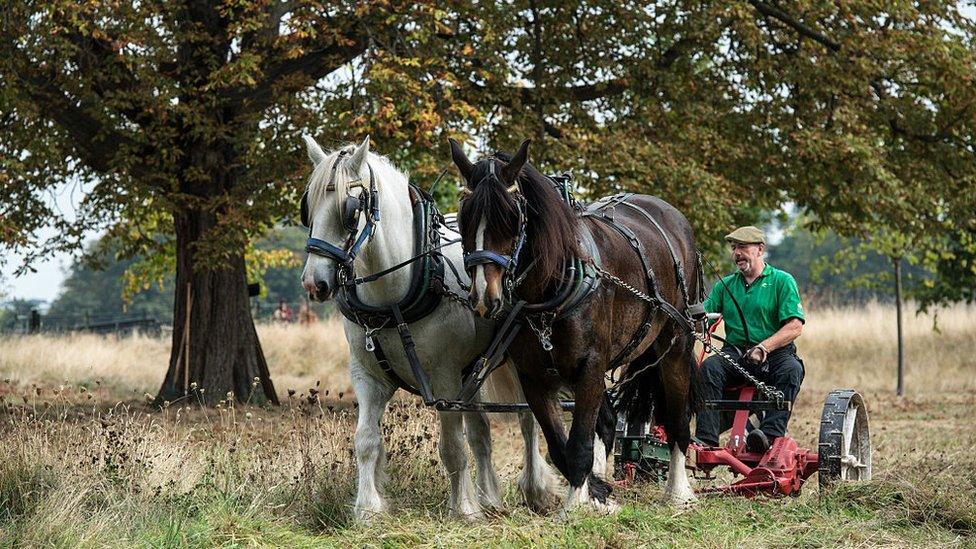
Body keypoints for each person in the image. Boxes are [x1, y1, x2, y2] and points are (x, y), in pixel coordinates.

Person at [695, 226, 805, 454]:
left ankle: (767, 436)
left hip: (775, 354)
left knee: (792, 369)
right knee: (709, 368)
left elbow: (794, 326)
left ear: (760, 249)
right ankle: (706, 441)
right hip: (736, 354)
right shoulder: (725, 286)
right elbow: (703, 316)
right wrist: (692, 316)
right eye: (734, 248)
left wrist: (764, 347)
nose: (736, 253)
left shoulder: (782, 281)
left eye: (742, 247)